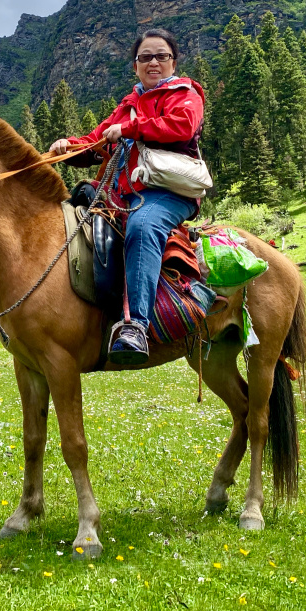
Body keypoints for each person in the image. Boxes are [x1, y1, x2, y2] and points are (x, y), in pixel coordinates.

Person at [50, 28, 204, 365]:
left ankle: (136, 326)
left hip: (167, 193)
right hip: (120, 195)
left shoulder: (186, 94)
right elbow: (95, 142)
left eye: (161, 56)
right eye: (145, 57)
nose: (153, 62)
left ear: (173, 62)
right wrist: (67, 148)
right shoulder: (129, 104)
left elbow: (182, 126)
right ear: (135, 66)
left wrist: (130, 129)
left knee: (143, 226)